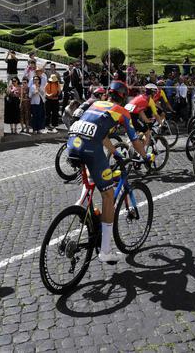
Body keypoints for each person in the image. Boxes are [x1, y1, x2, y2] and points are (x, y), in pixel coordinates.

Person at [65, 81, 151, 264]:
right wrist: (145, 157)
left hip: (72, 144)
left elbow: (101, 134)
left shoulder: (95, 104)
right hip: (90, 148)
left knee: (91, 178)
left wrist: (114, 152)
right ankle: (105, 251)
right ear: (123, 97)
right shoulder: (121, 111)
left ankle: (82, 207)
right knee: (108, 195)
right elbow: (135, 140)